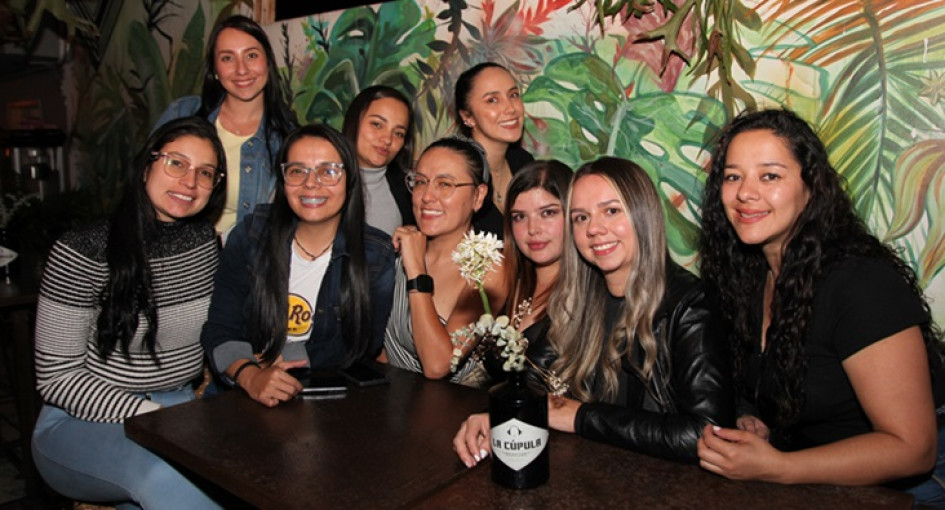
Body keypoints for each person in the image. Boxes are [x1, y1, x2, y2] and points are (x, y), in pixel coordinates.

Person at [696, 108, 945, 505]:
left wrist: (779, 467)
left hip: (908, 489)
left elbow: (913, 449)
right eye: (732, 176)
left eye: (770, 175)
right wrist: (752, 418)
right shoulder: (748, 274)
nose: (745, 192)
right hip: (815, 481)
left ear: (810, 187)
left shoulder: (861, 283)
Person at [454, 157, 734, 467]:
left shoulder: (690, 305)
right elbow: (535, 380)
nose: (594, 229)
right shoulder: (582, 298)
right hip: (596, 472)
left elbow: (707, 434)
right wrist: (498, 414)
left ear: (643, 214)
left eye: (611, 211)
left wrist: (580, 416)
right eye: (581, 217)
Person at [31, 117, 226, 508]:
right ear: (147, 165)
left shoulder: (205, 243)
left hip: (179, 407)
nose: (190, 181)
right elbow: (56, 378)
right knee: (170, 475)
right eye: (176, 163)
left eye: (205, 173)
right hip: (80, 420)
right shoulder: (81, 249)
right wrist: (154, 416)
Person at [200, 124, 395, 407]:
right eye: (297, 171)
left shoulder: (375, 255)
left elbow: (362, 343)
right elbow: (219, 328)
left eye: (328, 171)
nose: (311, 183)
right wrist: (250, 375)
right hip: (238, 399)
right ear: (283, 180)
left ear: (349, 180)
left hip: (328, 401)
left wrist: (287, 357)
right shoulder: (252, 236)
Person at [155, 14, 296, 234]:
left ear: (268, 61)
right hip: (177, 256)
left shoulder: (287, 137)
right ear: (215, 70)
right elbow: (143, 187)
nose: (242, 70)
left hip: (245, 262)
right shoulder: (182, 113)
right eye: (227, 58)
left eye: (251, 55)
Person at [381, 137, 507, 383]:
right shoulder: (401, 247)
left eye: (445, 184)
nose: (427, 196)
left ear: (478, 196)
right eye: (420, 182)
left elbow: (438, 365)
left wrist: (417, 272)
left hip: (449, 413)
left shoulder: (487, 268)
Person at [481, 159, 572, 383]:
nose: (533, 229)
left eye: (548, 213)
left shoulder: (590, 298)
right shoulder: (508, 284)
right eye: (520, 217)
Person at [454, 62, 534, 236]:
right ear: (467, 116)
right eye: (492, 100)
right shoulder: (456, 175)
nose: (511, 108)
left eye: (513, 95)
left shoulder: (524, 163)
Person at [341, 85, 416, 235]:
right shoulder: (321, 181)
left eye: (399, 133)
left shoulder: (409, 189)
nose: (387, 139)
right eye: (377, 125)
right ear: (354, 121)